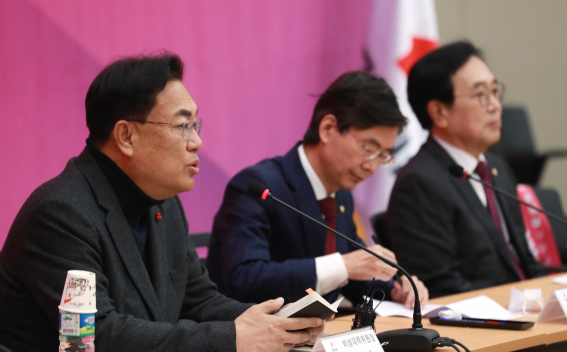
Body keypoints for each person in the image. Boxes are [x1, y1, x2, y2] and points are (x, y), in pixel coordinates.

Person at [0, 53, 326, 352]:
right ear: (126, 136)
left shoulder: (163, 204)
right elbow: (100, 336)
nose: (197, 142)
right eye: (183, 126)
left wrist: (278, 324)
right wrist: (232, 338)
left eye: (195, 125)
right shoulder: (60, 213)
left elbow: (199, 302)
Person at [207, 71, 429, 308]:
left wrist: (396, 290)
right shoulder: (259, 187)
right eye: (368, 149)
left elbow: (353, 279)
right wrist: (344, 265)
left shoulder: (341, 195)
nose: (371, 166)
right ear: (328, 128)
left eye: (383, 156)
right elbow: (243, 278)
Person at [386, 42, 546, 298]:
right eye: (481, 95)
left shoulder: (496, 167)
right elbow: (442, 287)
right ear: (439, 112)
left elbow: (524, 262)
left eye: (495, 91)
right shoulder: (418, 183)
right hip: (483, 316)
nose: (495, 105)